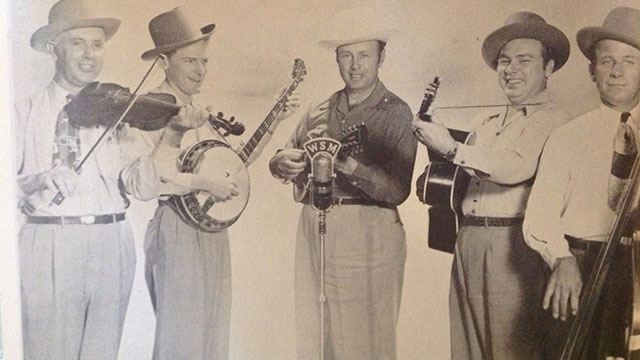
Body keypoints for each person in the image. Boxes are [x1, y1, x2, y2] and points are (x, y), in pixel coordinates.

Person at [120, 8, 300, 360]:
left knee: (214, 339)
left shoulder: (200, 111)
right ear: (163, 62)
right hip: (175, 227)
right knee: (179, 341)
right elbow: (147, 183)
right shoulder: (147, 111)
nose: (200, 71)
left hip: (213, 231)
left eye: (204, 61)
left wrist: (275, 120)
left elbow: (234, 165)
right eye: (189, 61)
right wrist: (203, 182)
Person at [412, 11, 571, 360]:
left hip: (514, 249)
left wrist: (451, 147)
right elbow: (458, 174)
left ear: (548, 68)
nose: (511, 69)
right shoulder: (484, 120)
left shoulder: (555, 120)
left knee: (511, 351)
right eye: (504, 61)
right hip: (467, 240)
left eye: (524, 60)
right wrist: (432, 133)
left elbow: (512, 168)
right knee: (467, 348)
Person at [268, 8, 417, 360]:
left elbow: (397, 190)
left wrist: (350, 167)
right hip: (313, 227)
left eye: (364, 55)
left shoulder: (396, 112)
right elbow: (287, 154)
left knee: (366, 339)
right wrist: (279, 163)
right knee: (315, 334)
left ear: (382, 56)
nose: (355, 65)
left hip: (368, 232)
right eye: (346, 55)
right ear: (336, 58)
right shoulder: (320, 108)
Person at [13, 1, 136, 359]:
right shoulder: (23, 111)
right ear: (55, 48)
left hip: (113, 242)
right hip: (50, 240)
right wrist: (38, 179)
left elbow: (143, 185)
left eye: (97, 45)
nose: (89, 55)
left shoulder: (118, 112)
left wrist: (172, 135)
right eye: (77, 43)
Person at [523, 6, 640, 359]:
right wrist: (561, 259)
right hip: (580, 266)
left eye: (630, 61)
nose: (617, 71)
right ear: (592, 71)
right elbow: (539, 215)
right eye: (607, 61)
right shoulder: (567, 137)